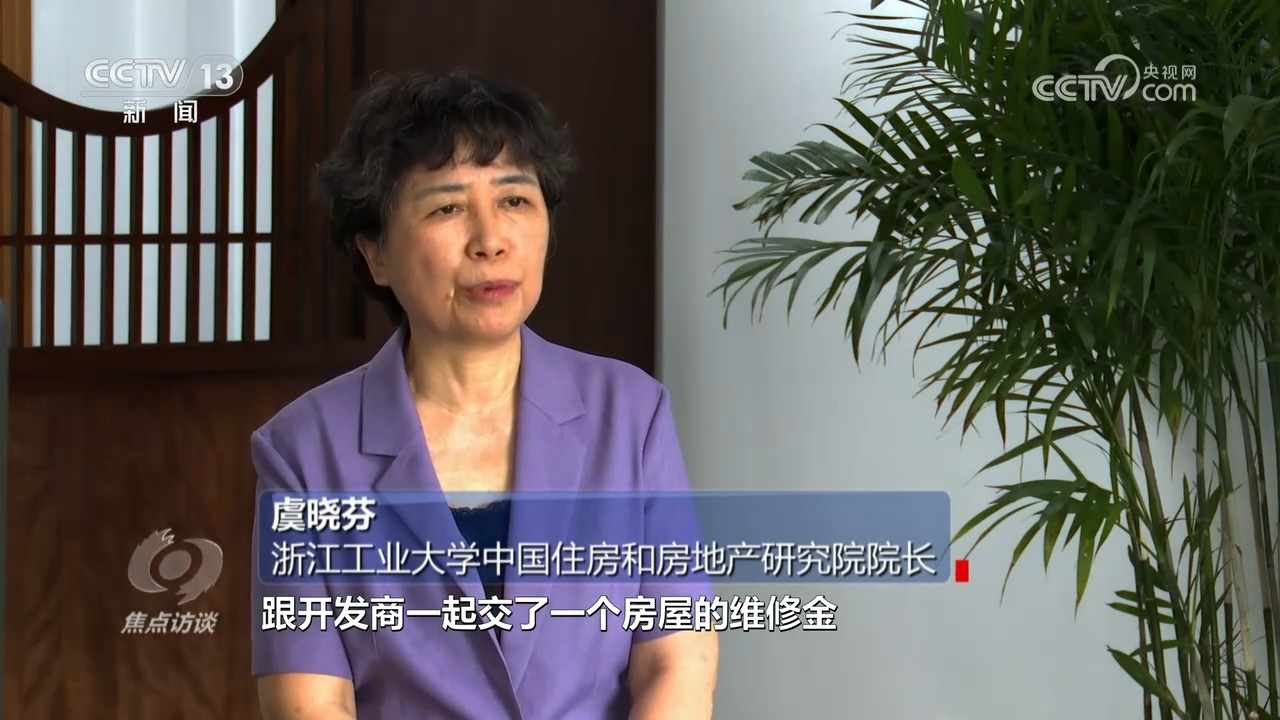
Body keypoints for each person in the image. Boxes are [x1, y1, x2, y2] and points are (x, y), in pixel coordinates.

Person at [249, 70, 719, 719]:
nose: (490, 240)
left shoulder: (630, 413)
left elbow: (677, 663)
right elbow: (310, 702)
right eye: (447, 208)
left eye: (515, 200)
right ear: (375, 253)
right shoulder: (303, 450)